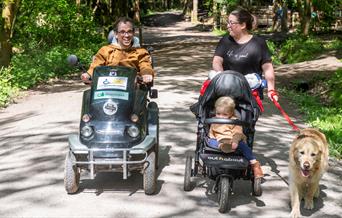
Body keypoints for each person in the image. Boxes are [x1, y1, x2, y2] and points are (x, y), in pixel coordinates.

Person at [212, 8, 279, 102]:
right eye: (228, 22)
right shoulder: (225, 40)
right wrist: (223, 78)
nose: (228, 26)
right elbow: (217, 61)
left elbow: (267, 67)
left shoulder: (259, 43)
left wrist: (271, 90)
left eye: (231, 23)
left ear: (243, 25)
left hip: (250, 94)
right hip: (226, 92)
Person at [81, 17, 155, 84]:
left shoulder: (141, 52)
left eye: (129, 31)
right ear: (116, 34)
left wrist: (146, 74)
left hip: (133, 89)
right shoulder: (105, 50)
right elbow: (96, 65)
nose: (126, 35)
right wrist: (88, 74)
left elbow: (145, 65)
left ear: (133, 33)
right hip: (107, 88)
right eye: (122, 32)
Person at [208, 96, 263, 178]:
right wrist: (211, 138)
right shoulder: (214, 120)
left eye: (224, 115)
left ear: (231, 113)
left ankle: (254, 164)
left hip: (232, 140)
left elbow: (238, 133)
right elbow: (211, 133)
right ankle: (222, 146)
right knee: (211, 141)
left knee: (245, 147)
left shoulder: (234, 121)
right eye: (218, 113)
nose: (220, 117)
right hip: (218, 140)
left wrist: (235, 141)